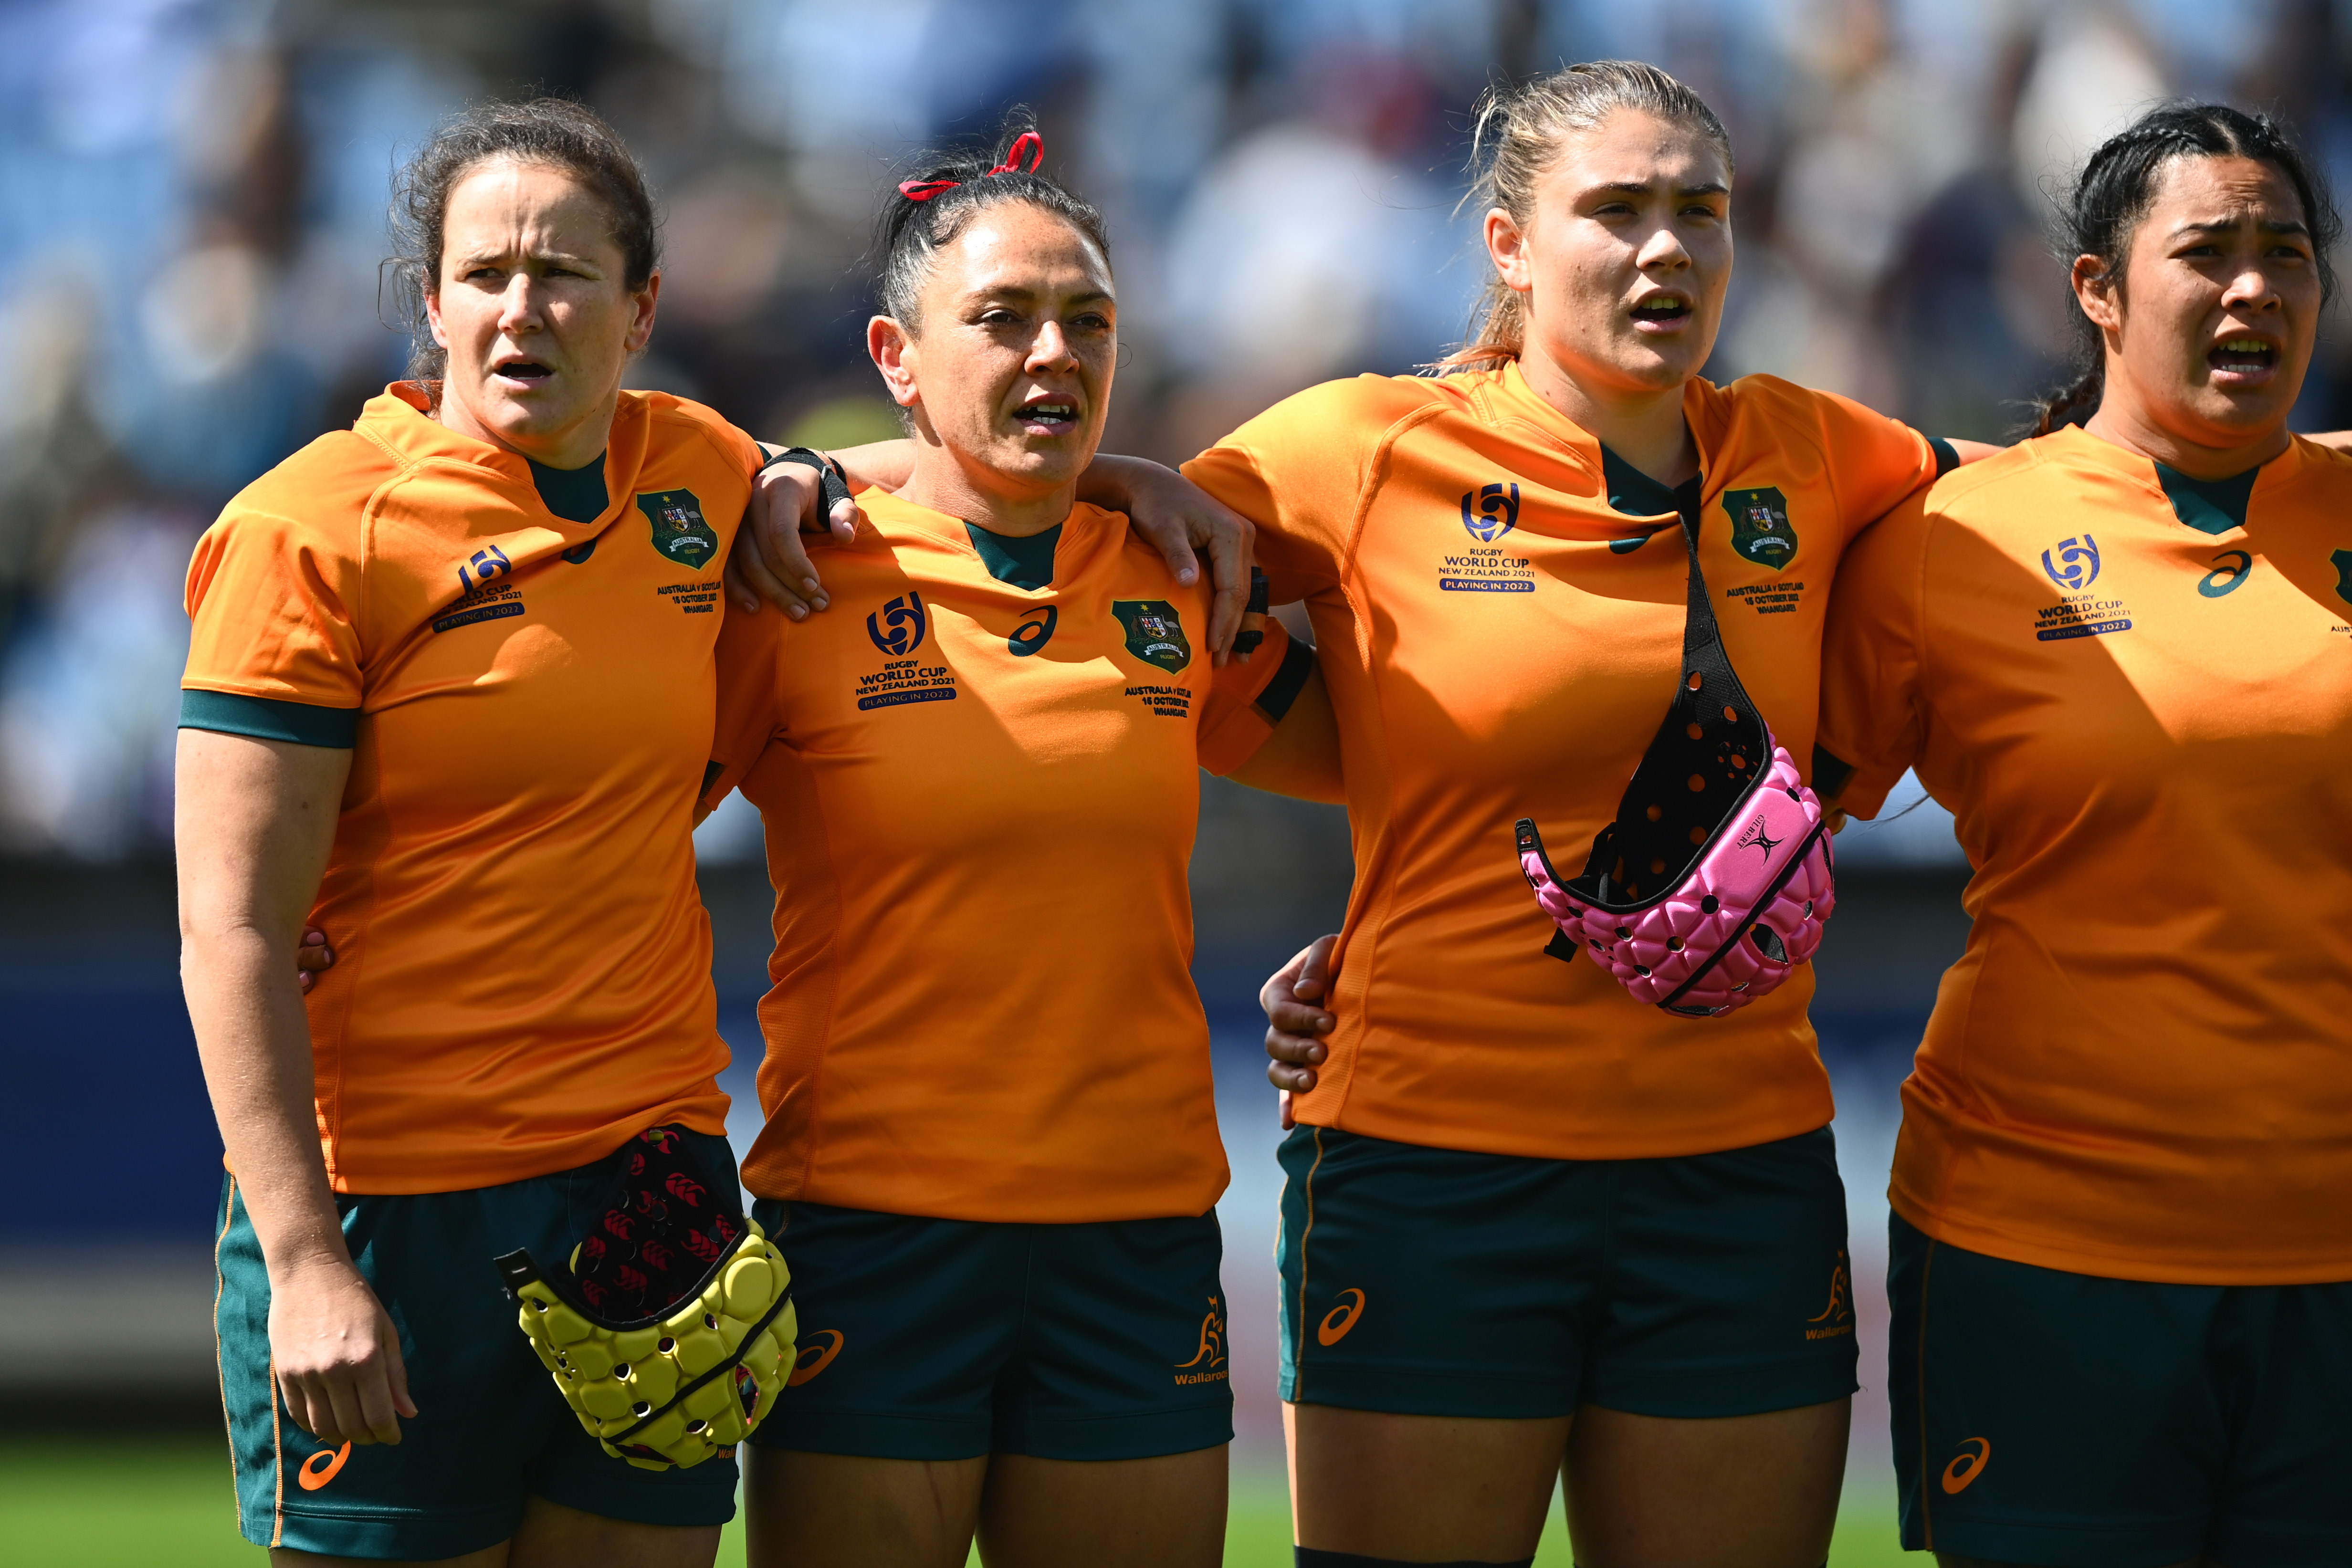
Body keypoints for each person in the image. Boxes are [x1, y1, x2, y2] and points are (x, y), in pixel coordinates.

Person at [742, 61, 1993, 1568]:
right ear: (1509, 248)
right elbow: (1023, 490)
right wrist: (806, 471)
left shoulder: (1812, 448)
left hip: (1742, 1174)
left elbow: (2057, 497)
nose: (1668, 249)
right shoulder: (1357, 451)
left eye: (1701, 213)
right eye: (1618, 211)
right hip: (1431, 1169)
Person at [704, 127, 1339, 1568]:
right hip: (873, 1228)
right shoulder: (796, 574)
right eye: (1001, 319)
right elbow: (613, 826)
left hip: (1136, 1237)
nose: (1054, 351)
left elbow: (1408, 773)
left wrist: (1393, 945)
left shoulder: (1181, 575)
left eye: (1089, 320)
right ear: (897, 356)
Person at [178, 98, 773, 1565]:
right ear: (432, 302)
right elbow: (230, 925)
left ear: (640, 311)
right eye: (488, 274)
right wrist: (308, 1261)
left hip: (648, 1193)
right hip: (394, 1212)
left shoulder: (697, 471)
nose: (524, 307)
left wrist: (1137, 484)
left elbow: (892, 485)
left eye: (565, 273)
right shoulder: (314, 531)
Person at [1816, 102, 2352, 1568]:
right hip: (2043, 1255)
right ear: (2097, 289)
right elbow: (1744, 839)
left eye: (2288, 253)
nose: (2255, 287)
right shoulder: (1953, 540)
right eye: (2208, 252)